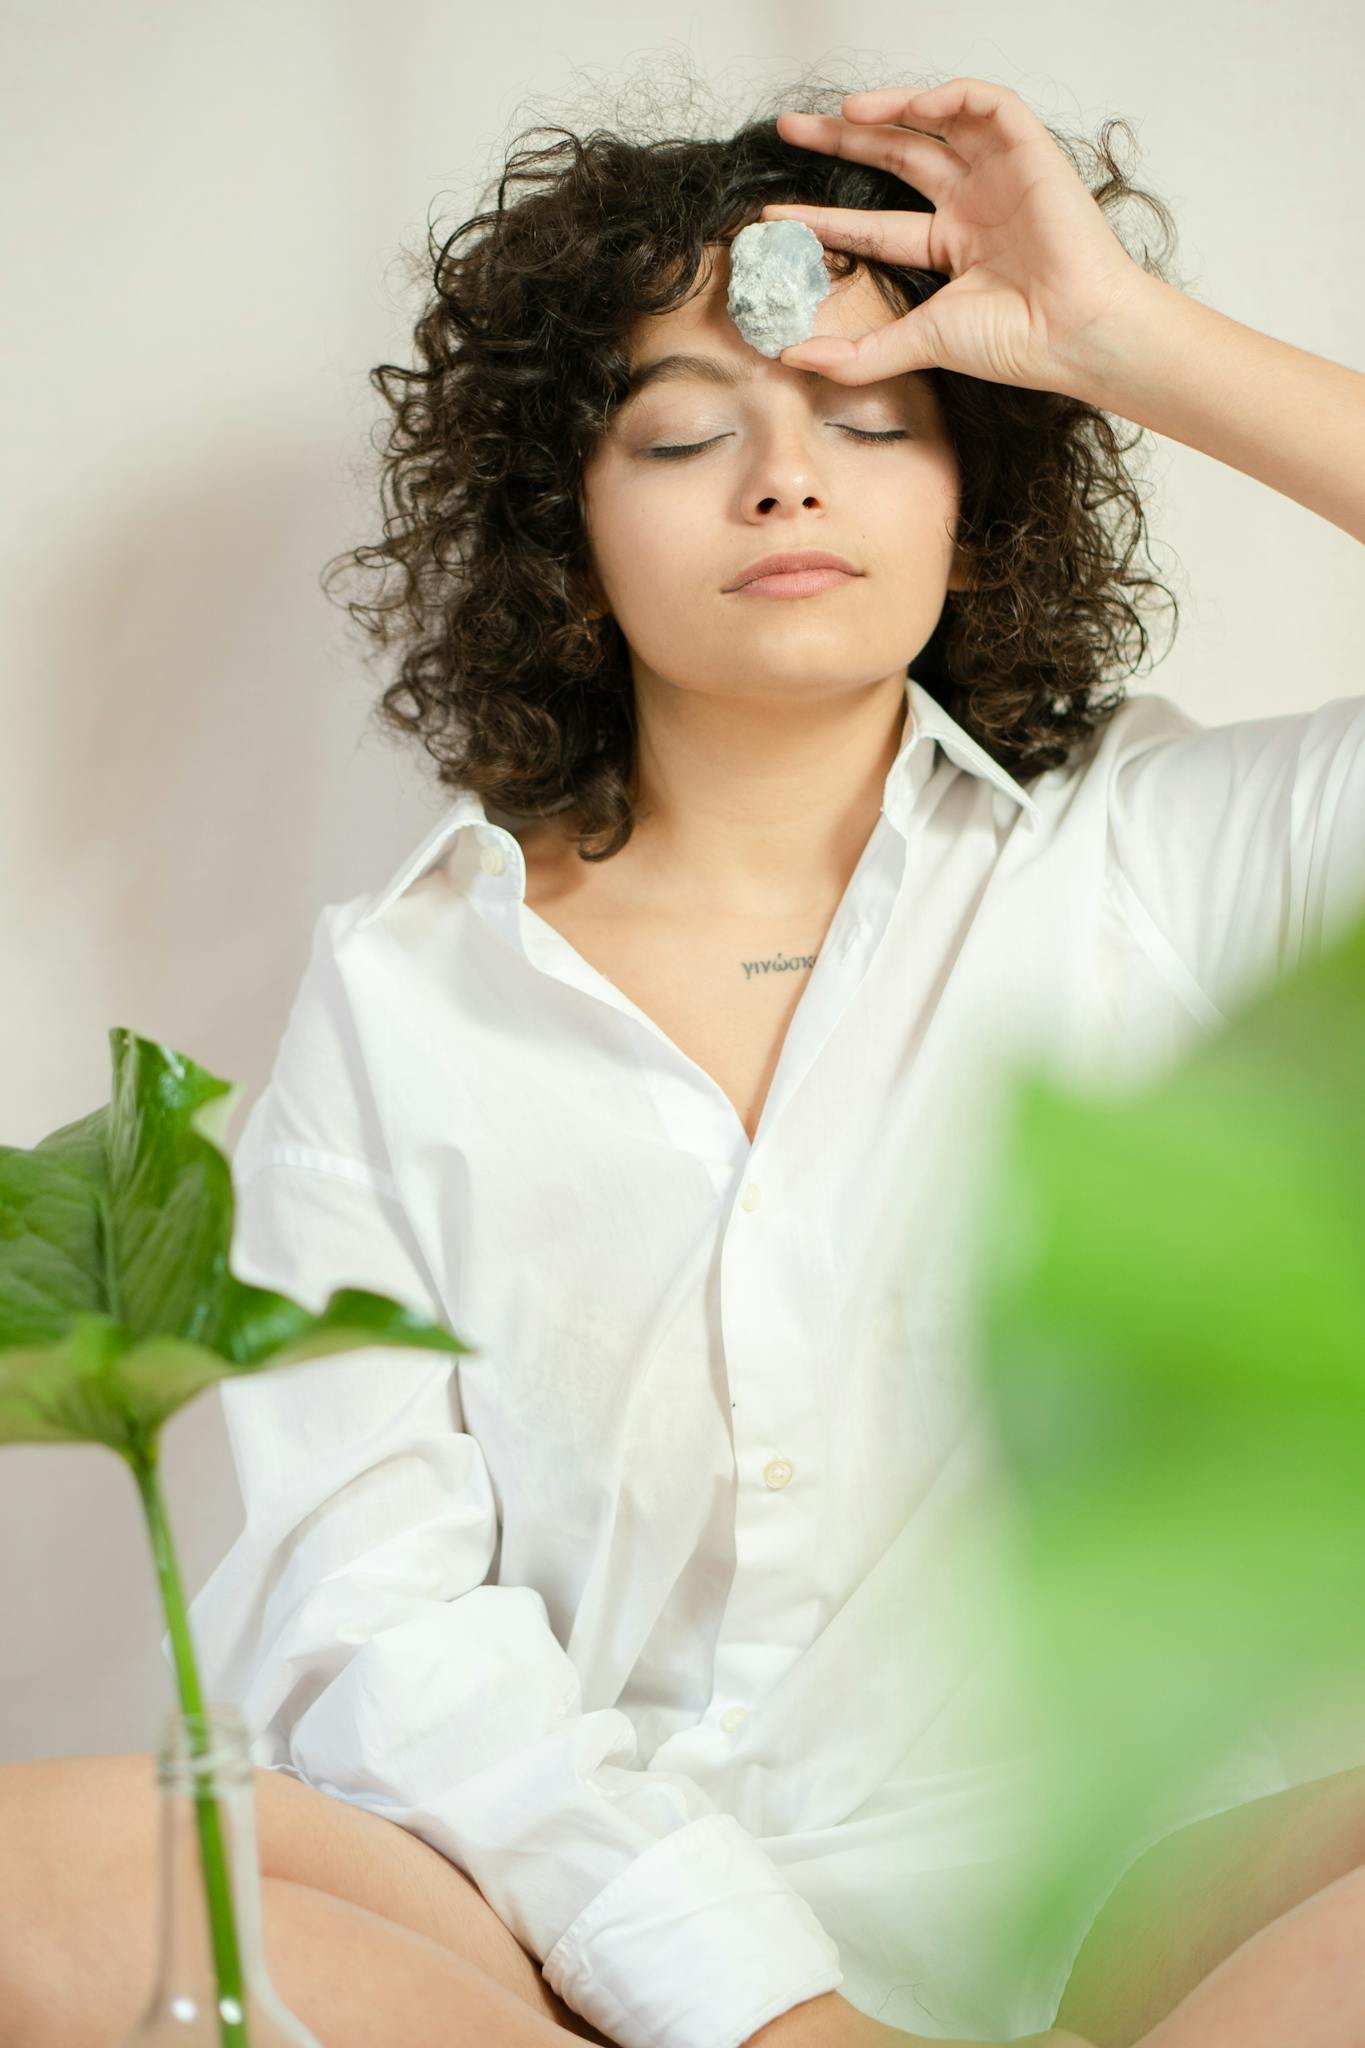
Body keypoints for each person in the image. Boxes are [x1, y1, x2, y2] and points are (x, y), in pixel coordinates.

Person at [5, 68, 1365, 2048]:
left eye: (872, 420)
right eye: (680, 429)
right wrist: (756, 2003)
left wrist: (1120, 342)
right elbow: (366, 1611)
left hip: (1104, 1916)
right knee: (41, 1871)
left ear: (975, 515)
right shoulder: (400, 998)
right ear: (568, 527)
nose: (782, 479)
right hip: (551, 1929)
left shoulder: (1157, 859)